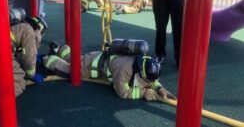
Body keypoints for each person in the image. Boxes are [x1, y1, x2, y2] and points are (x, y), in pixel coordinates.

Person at [40, 39, 176, 101]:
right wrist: (145, 92)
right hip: (91, 67)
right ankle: (46, 59)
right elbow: (123, 92)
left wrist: (159, 88)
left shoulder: (144, 59)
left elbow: (150, 79)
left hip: (97, 57)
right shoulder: (124, 71)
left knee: (77, 59)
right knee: (69, 70)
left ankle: (59, 49)